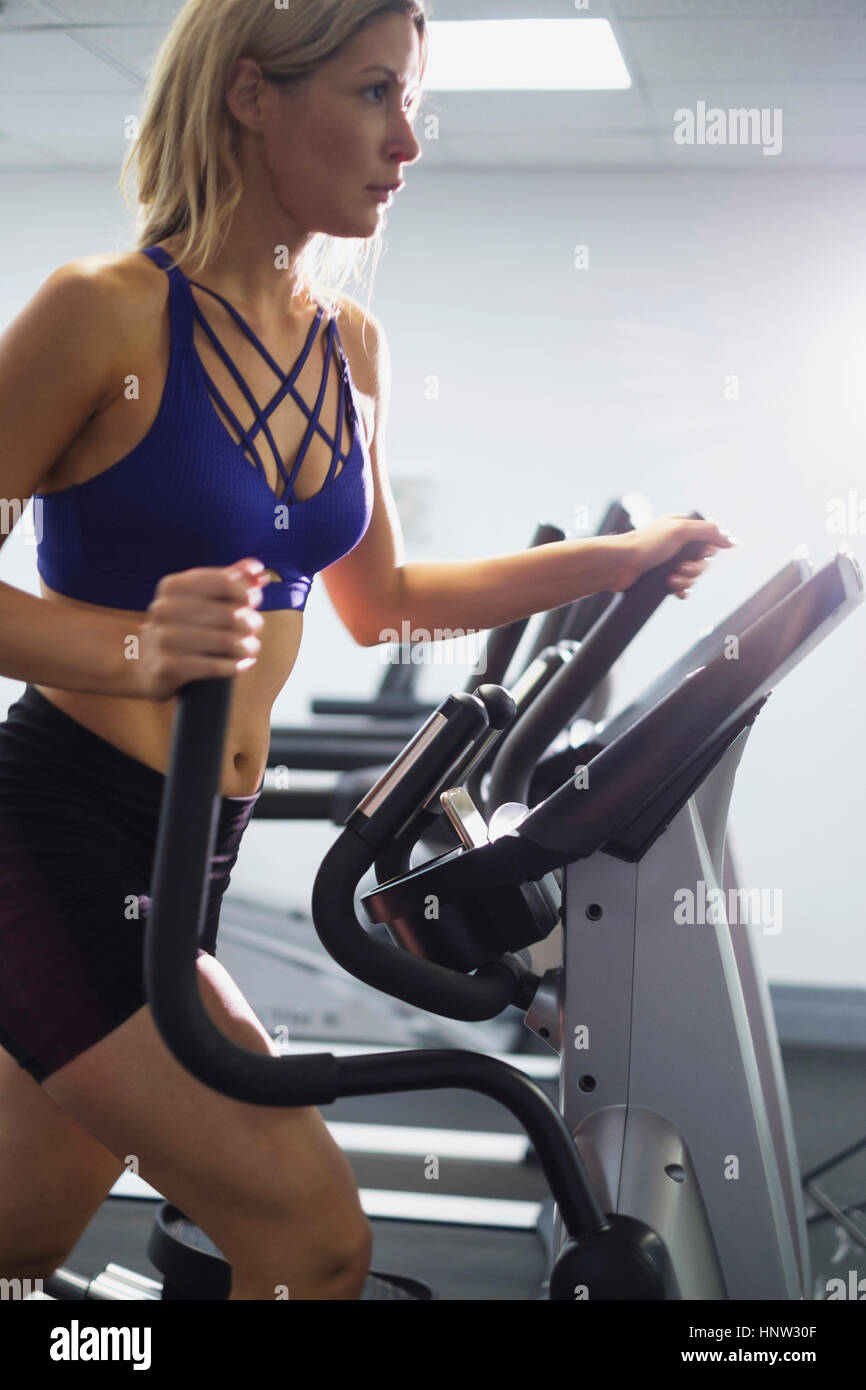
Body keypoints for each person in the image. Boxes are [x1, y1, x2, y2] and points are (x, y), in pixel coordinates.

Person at [0, 0, 733, 1301]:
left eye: (414, 105)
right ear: (249, 96)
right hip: (59, 828)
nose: (406, 140)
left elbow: (381, 597)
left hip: (190, 853)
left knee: (20, 1239)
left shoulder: (348, 349)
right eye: (373, 94)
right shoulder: (99, 315)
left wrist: (615, 562)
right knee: (314, 1237)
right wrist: (132, 643)